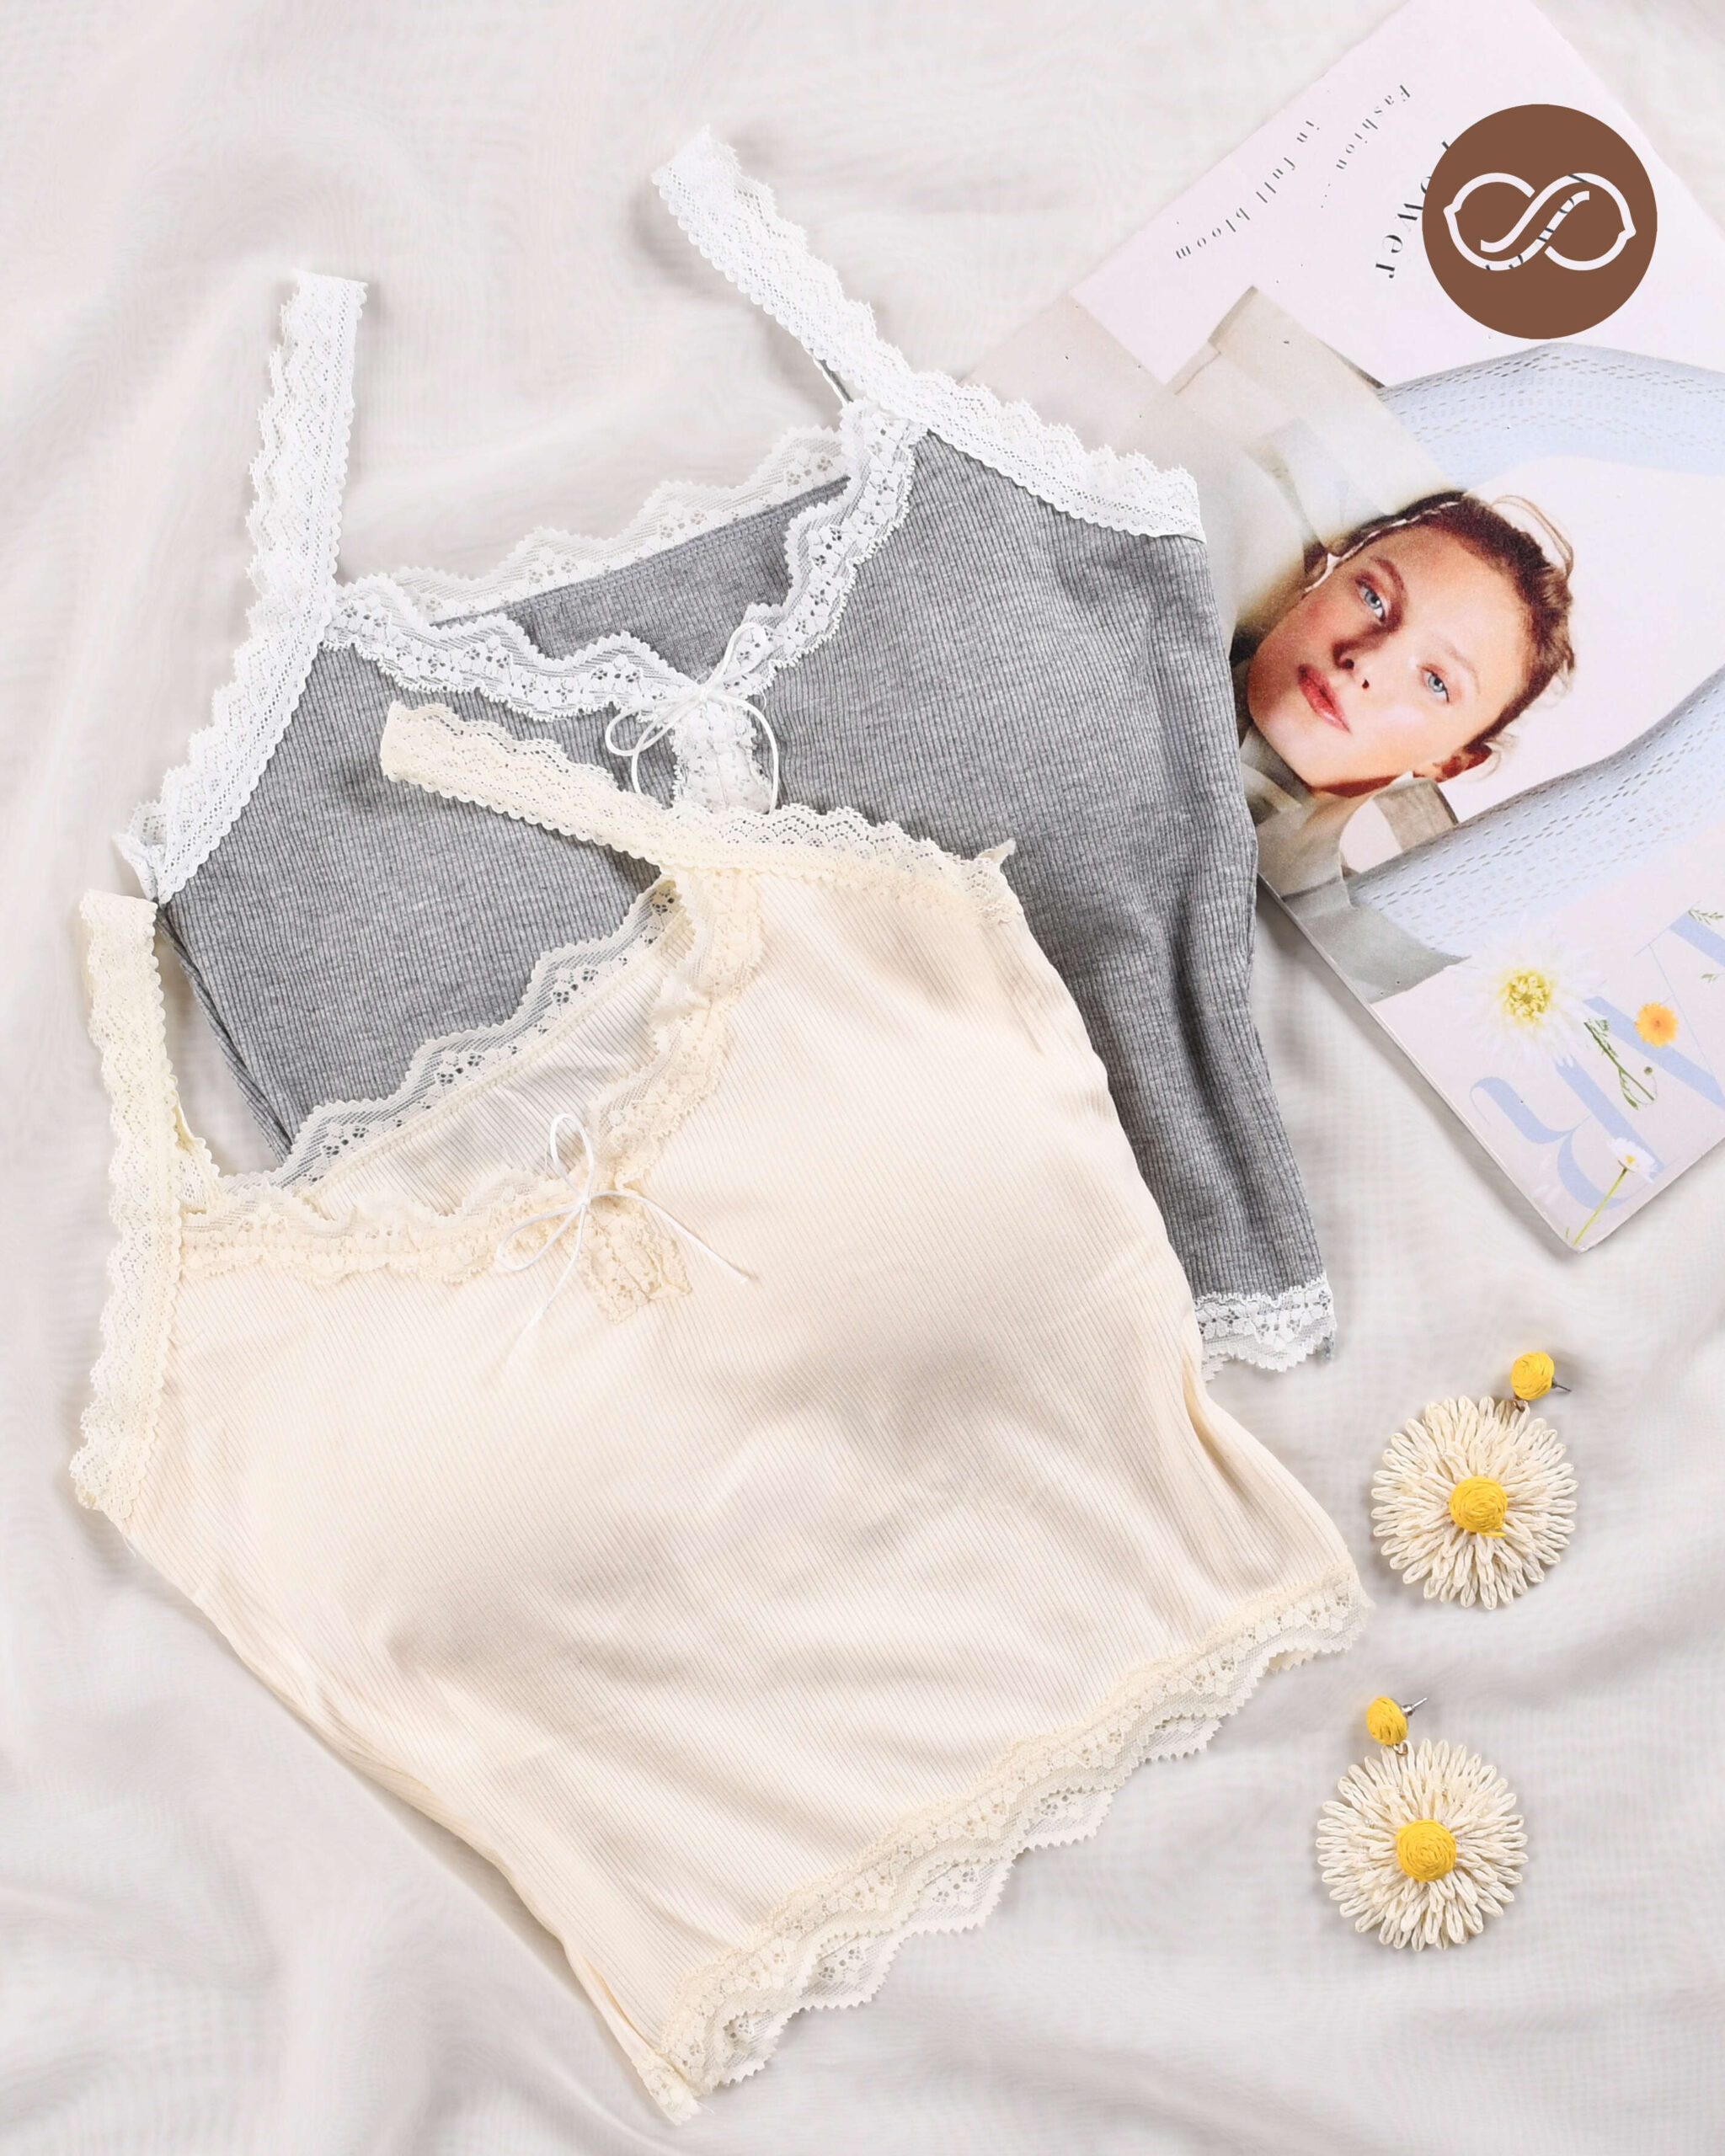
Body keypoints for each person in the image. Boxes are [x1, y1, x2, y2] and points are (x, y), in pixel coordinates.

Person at [1239, 492, 1576, 914]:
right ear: (1323, 574)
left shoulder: (1313, 921)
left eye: (1436, 682)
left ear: (1450, 763)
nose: (1367, 663)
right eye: (1374, 600)